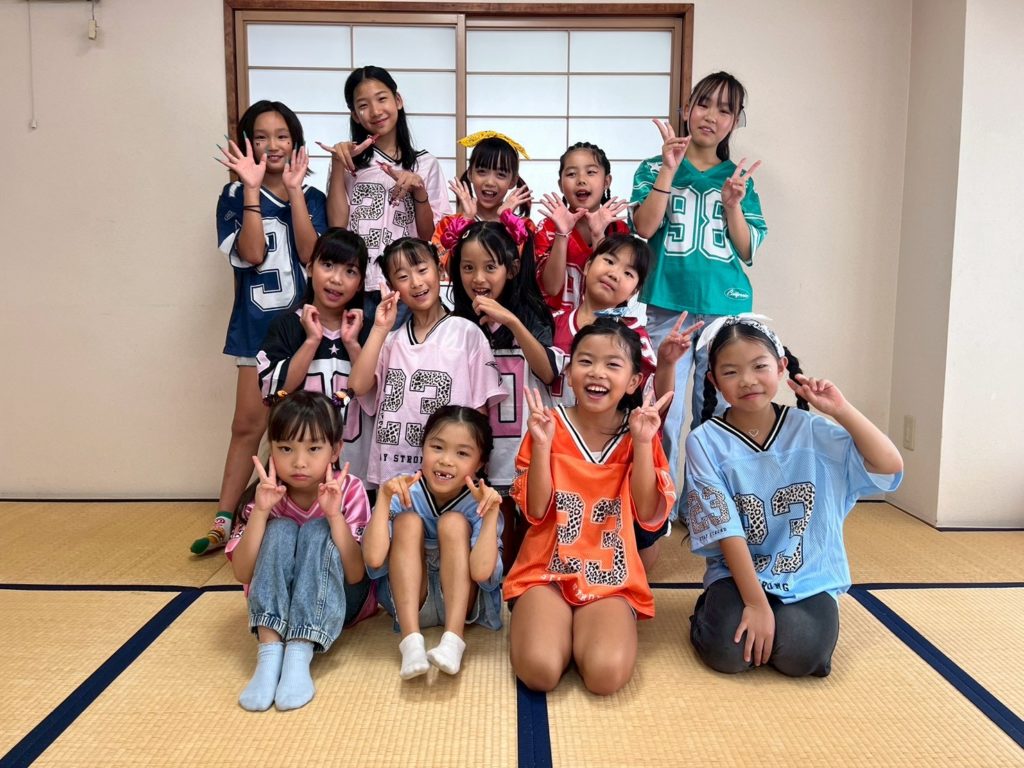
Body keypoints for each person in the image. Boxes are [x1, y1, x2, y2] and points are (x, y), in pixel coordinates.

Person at [684, 315, 903, 677]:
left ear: (781, 366)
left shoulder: (812, 430)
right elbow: (726, 529)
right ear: (714, 381)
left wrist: (841, 410)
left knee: (802, 657)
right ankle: (713, 612)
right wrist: (756, 603)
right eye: (731, 372)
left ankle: (782, 623)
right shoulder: (704, 441)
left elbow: (888, 464)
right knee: (727, 654)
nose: (748, 380)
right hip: (737, 575)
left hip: (808, 576)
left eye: (759, 366)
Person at [504, 319, 676, 695]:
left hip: (611, 576)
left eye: (612, 364)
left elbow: (647, 513)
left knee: (605, 676)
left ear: (633, 381)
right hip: (545, 571)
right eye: (586, 361)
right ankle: (553, 629)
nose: (597, 372)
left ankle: (582, 632)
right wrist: (543, 446)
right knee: (539, 671)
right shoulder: (547, 424)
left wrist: (643, 444)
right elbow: (536, 511)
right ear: (569, 372)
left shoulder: (639, 430)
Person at [630, 71, 768, 519]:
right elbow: (644, 227)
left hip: (724, 309)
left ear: (735, 121)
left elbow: (747, 250)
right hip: (667, 305)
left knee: (719, 411)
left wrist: (732, 205)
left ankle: (707, 507)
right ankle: (660, 506)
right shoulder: (655, 166)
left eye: (725, 110)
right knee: (663, 410)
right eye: (704, 104)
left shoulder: (739, 179)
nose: (711, 116)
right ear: (687, 108)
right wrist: (668, 170)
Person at [195, 101, 327, 555]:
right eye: (262, 136)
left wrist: (294, 192)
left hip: (304, 330)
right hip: (255, 328)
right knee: (248, 424)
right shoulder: (233, 195)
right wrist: (252, 189)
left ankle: (288, 510)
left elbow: (312, 254)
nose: (273, 145)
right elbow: (252, 254)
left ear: (295, 143)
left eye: (282, 136)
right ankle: (224, 516)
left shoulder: (312, 197)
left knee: (304, 426)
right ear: (248, 143)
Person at [225, 390, 374, 710]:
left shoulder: (349, 489)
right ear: (271, 448)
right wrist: (261, 511)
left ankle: (298, 652)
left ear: (335, 450)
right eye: (286, 448)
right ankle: (268, 655)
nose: (299, 461)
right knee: (280, 529)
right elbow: (242, 572)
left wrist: (334, 516)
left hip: (338, 602)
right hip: (276, 607)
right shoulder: (263, 493)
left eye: (314, 448)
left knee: (318, 530)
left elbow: (355, 574)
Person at [347, 238, 508, 488]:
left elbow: (479, 412)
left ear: (439, 269)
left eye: (422, 270)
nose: (416, 282)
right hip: (394, 473)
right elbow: (357, 386)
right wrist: (379, 328)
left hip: (450, 474)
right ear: (392, 286)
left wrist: (478, 469)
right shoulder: (389, 340)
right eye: (403, 276)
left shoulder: (467, 334)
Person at [363, 407, 504, 679]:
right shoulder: (404, 491)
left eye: (462, 453)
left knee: (453, 523)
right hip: (413, 602)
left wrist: (490, 516)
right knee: (407, 521)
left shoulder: (480, 501)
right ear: (423, 448)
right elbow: (374, 558)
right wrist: (383, 498)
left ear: (480, 463)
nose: (446, 461)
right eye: (437, 447)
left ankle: (453, 641)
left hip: (464, 608)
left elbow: (481, 572)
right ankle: (411, 642)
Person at [318, 66, 450, 320]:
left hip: (408, 286)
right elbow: (337, 227)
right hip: (356, 283)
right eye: (363, 105)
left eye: (382, 99)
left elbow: (430, 236)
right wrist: (337, 164)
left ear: (398, 100)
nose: (376, 111)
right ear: (355, 115)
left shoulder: (425, 164)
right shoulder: (347, 163)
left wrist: (419, 191)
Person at [255, 228, 372, 479]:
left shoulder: (369, 330)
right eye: (328, 265)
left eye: (350, 271)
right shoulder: (286, 326)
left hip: (355, 469)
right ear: (310, 268)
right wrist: (311, 340)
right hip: (298, 470)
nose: (336, 279)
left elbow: (375, 396)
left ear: (361, 283)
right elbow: (274, 392)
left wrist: (352, 344)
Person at [535, 142, 630, 313]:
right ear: (560, 184)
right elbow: (551, 288)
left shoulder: (619, 230)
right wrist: (562, 234)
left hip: (602, 324)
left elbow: (614, 289)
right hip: (554, 324)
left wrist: (598, 235)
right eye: (571, 174)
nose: (581, 180)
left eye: (591, 172)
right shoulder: (548, 227)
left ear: (606, 181)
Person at [433, 131, 534, 270]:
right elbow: (445, 270)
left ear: (513, 181)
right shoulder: (448, 224)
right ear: (470, 174)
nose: (490, 182)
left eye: (501, 174)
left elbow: (525, 271)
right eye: (482, 172)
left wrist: (507, 219)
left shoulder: (524, 226)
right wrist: (465, 220)